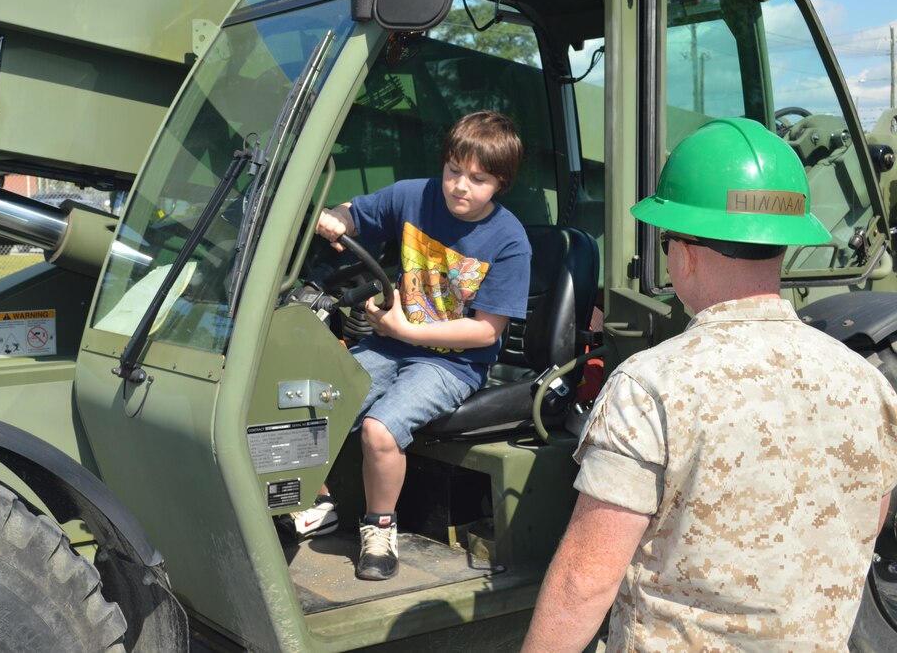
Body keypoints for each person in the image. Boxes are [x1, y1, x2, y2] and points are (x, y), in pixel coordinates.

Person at [522, 117, 897, 651]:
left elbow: (585, 581)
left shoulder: (651, 386)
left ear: (686, 252)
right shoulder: (869, 385)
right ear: (783, 246)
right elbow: (862, 528)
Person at [284, 110, 532, 581]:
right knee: (311, 398)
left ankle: (379, 530)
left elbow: (485, 332)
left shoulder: (509, 241)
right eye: (454, 171)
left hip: (455, 364)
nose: (460, 186)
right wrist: (336, 217)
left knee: (380, 430)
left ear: (501, 182)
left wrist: (407, 331)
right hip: (391, 344)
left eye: (477, 179)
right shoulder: (412, 196)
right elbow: (355, 215)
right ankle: (317, 503)